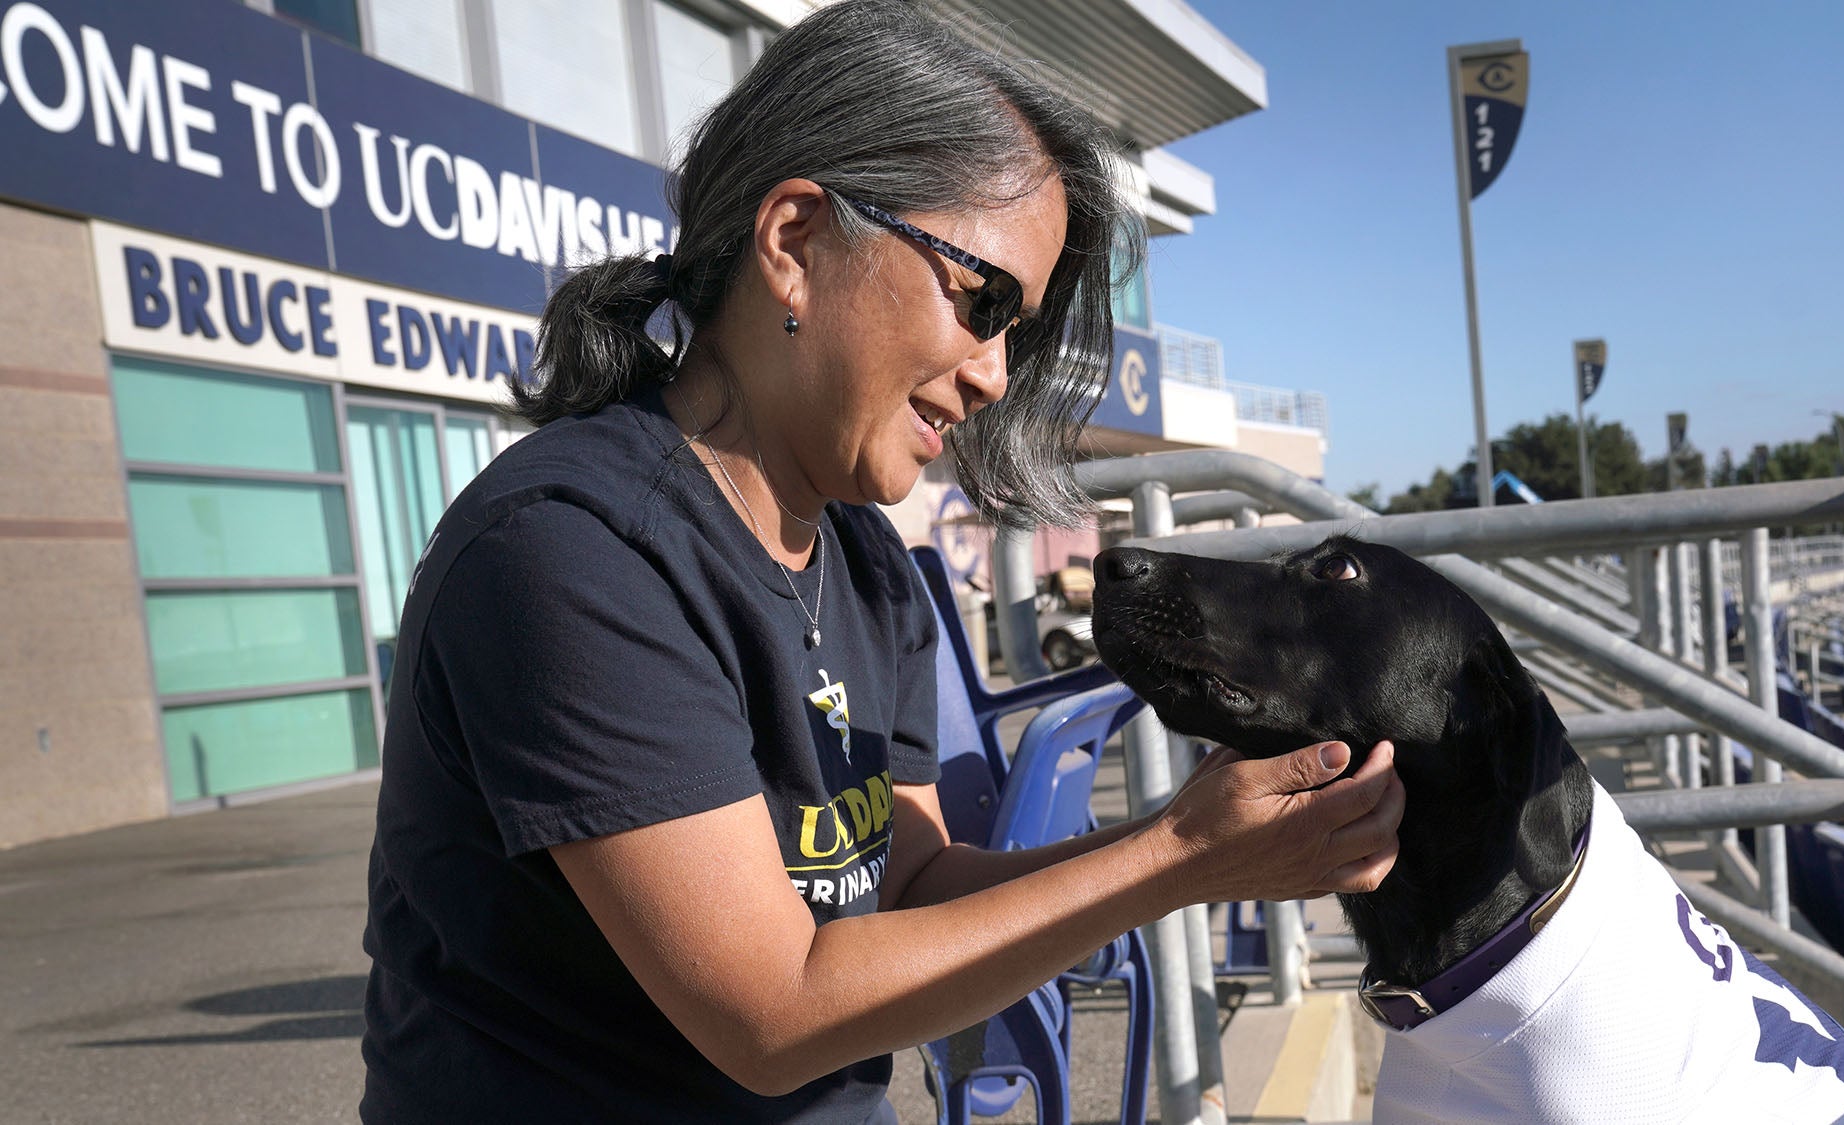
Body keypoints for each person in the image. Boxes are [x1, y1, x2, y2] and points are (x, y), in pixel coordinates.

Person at [359, 2, 1405, 1121]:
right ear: (796, 241)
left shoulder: (862, 560)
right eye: (982, 301)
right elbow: (771, 1015)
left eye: (1019, 332)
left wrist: (1186, 836)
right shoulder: (571, 552)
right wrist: (1183, 860)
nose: (996, 374)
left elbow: (906, 886)